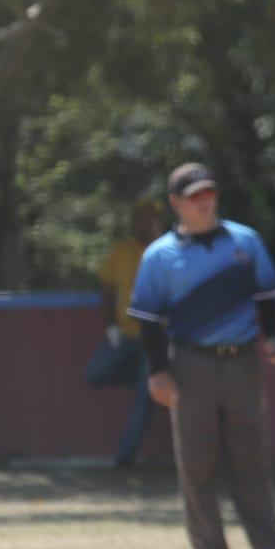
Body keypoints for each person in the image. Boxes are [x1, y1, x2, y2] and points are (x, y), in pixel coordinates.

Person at [127, 163, 275, 549]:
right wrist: (157, 373)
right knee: (197, 462)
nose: (204, 201)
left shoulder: (245, 242)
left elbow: (266, 295)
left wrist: (273, 336)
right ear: (176, 203)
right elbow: (149, 320)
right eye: (194, 196)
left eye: (209, 193)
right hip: (190, 364)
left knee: (252, 461)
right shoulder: (160, 256)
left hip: (242, 361)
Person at [84, 198, 166, 466]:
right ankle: (139, 376)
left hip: (155, 338)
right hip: (125, 335)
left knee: (144, 404)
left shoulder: (168, 252)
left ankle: (124, 460)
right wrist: (110, 327)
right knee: (95, 372)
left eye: (153, 218)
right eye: (143, 218)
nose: (148, 223)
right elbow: (107, 292)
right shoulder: (121, 251)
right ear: (135, 222)